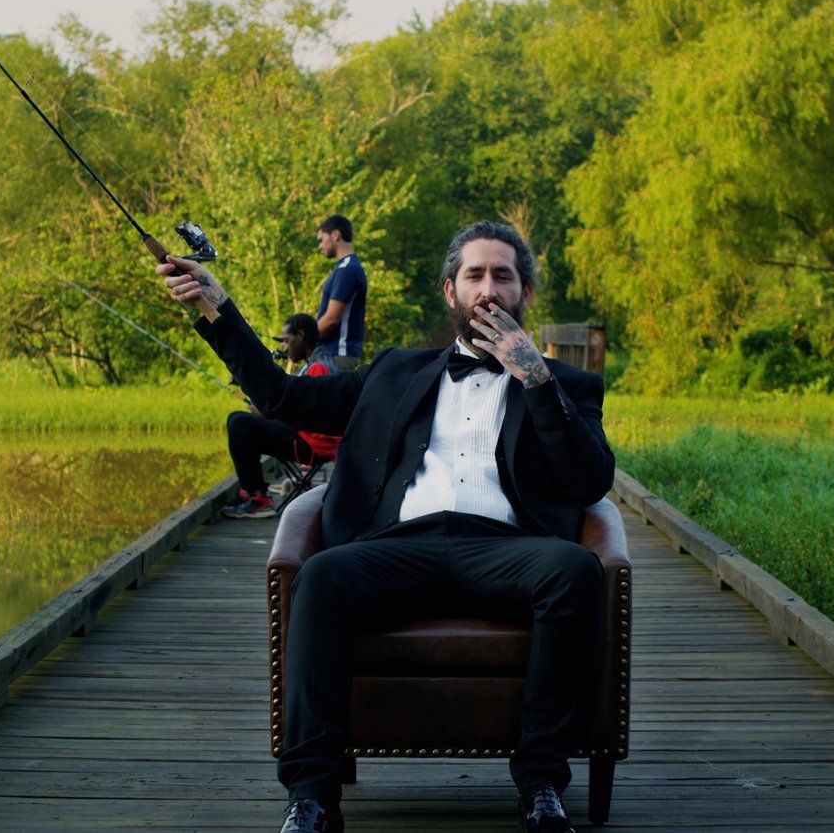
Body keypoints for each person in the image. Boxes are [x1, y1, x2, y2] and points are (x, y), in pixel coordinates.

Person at [159, 221, 613, 833]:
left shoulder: (568, 386)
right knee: (321, 577)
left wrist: (534, 376)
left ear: (524, 293)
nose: (488, 289)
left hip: (507, 550)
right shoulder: (395, 371)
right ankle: (312, 799)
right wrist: (215, 305)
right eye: (474, 275)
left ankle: (540, 786)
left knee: (575, 571)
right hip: (402, 547)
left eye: (502, 276)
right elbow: (282, 398)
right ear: (450, 291)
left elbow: (589, 480)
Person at [220, 313, 341, 520]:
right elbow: (293, 401)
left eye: (286, 340)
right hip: (307, 436)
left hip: (313, 445)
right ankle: (252, 493)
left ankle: (258, 498)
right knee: (237, 420)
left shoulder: (318, 368)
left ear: (300, 336)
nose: (284, 347)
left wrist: (268, 415)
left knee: (240, 424)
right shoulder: (316, 362)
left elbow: (311, 418)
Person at [314, 214, 367, 370]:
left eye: (321, 240)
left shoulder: (347, 270)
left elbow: (332, 318)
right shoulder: (344, 267)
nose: (320, 246)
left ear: (336, 234)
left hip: (337, 354)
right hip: (329, 354)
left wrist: (303, 340)